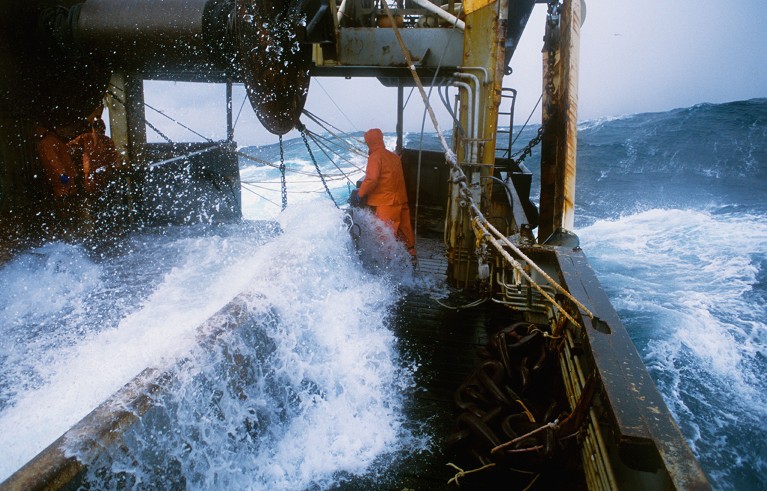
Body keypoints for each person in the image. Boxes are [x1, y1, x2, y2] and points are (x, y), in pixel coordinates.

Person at [357, 128, 416, 259]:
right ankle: (412, 258)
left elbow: (371, 180)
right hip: (401, 200)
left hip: (387, 203)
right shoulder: (394, 157)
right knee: (406, 233)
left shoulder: (375, 157)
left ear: (369, 143)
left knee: (384, 238)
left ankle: (387, 267)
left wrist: (360, 194)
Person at [66, 117, 118, 195]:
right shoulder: (86, 137)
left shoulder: (88, 138)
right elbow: (69, 146)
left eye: (101, 127)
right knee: (97, 195)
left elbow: (114, 157)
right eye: (99, 127)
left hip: (99, 173)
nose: (100, 130)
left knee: (94, 195)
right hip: (94, 173)